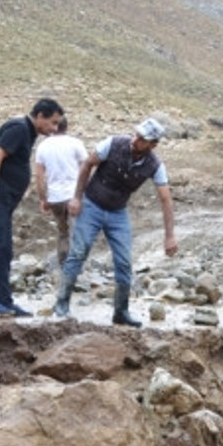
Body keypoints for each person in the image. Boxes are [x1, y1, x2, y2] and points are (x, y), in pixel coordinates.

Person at [53, 117, 178, 327]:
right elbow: (87, 165)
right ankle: (61, 303)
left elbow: (165, 199)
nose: (135, 139)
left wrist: (170, 236)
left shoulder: (155, 165)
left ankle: (121, 312)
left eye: (142, 138)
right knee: (78, 252)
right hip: (91, 204)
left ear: (153, 144)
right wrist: (76, 197)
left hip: (118, 212)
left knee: (124, 261)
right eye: (136, 134)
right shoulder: (112, 143)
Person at [0, 98, 62, 317]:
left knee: (4, 249)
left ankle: (4, 300)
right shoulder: (19, 128)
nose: (54, 129)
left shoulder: (27, 133)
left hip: (5, 201)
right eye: (52, 123)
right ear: (40, 116)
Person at [34, 116, 87, 269]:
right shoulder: (76, 143)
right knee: (77, 232)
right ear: (67, 127)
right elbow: (86, 167)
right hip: (74, 195)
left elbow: (39, 176)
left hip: (55, 197)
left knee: (63, 231)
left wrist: (43, 199)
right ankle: (76, 268)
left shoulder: (43, 146)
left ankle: (63, 264)